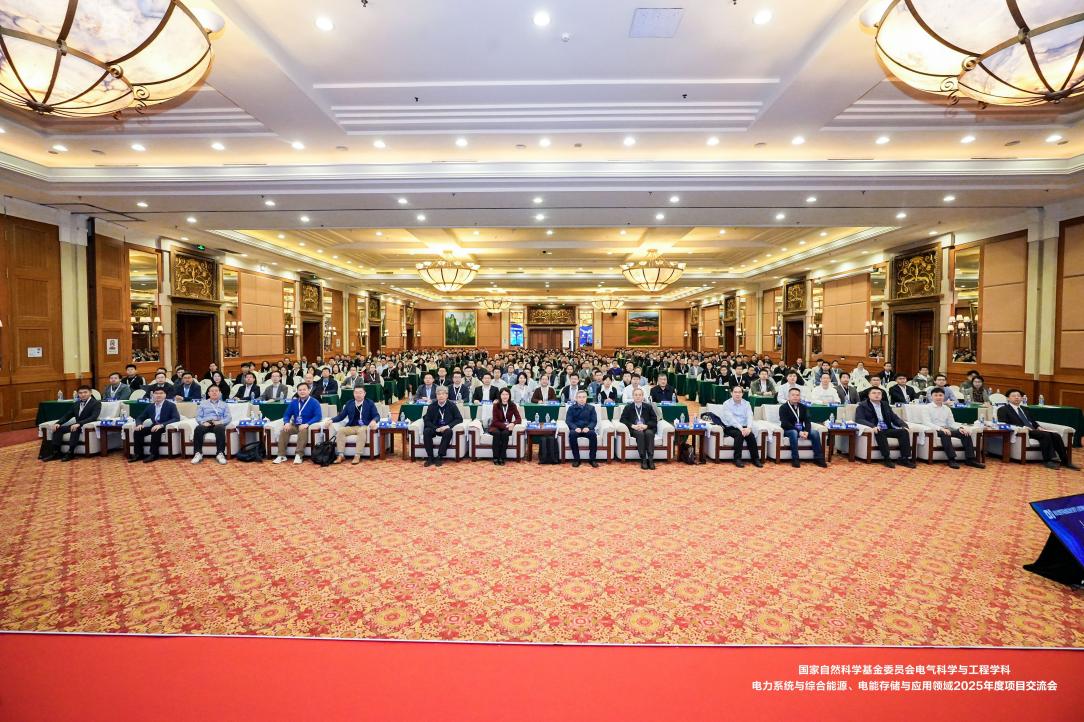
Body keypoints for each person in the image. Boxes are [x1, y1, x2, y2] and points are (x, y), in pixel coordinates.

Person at [997, 389, 1079, 470]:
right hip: (1022, 431)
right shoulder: (1003, 409)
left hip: (1033, 430)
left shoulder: (1025, 409)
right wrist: (1022, 428)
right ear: (1008, 398)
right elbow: (1003, 424)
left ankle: (1065, 461)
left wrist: (1038, 427)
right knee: (1045, 435)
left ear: (1022, 398)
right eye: (1013, 396)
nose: (1017, 397)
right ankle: (1048, 460)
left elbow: (1032, 421)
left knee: (1056, 435)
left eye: (1019, 396)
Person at [855, 387, 916, 468]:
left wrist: (903, 425)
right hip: (876, 429)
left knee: (903, 432)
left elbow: (894, 418)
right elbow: (859, 419)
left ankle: (904, 459)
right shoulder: (862, 406)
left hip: (887, 428)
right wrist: (872, 426)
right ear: (869, 395)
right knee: (880, 432)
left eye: (879, 393)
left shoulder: (885, 405)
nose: (877, 395)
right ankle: (887, 458)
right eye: (874, 393)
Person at [924, 387, 983, 469]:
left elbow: (951, 423)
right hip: (935, 430)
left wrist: (960, 428)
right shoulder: (927, 407)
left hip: (947, 429)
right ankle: (951, 459)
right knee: (945, 434)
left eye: (940, 395)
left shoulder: (947, 408)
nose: (938, 397)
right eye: (936, 395)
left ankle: (970, 459)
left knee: (964, 433)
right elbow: (927, 422)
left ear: (944, 396)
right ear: (932, 397)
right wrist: (941, 429)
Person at [323, 385, 379, 465]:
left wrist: (374, 421)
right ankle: (341, 455)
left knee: (361, 430)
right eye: (356, 392)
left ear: (364, 393)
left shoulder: (369, 403)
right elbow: (341, 416)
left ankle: (357, 455)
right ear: (353, 393)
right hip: (352, 426)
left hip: (364, 426)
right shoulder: (349, 403)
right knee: (341, 430)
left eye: (360, 392)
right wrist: (331, 420)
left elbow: (377, 415)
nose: (358, 394)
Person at [46, 385, 100, 461]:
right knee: (58, 429)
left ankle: (71, 452)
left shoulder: (96, 403)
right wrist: (58, 423)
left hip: (86, 425)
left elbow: (93, 417)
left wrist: (79, 423)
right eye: (80, 393)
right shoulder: (76, 403)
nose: (83, 394)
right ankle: (56, 452)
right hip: (76, 425)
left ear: (90, 393)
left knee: (75, 428)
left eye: (85, 392)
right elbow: (67, 415)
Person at [273, 382, 323, 464]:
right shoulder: (294, 402)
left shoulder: (314, 402)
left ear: (309, 390)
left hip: (307, 426)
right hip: (295, 425)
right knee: (284, 430)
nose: (302, 392)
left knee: (303, 431)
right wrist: (286, 422)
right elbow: (287, 415)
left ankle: (299, 455)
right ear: (297, 391)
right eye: (300, 390)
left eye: (304, 390)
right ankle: (281, 455)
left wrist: (307, 424)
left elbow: (318, 416)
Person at [778, 387, 828, 468]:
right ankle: (795, 459)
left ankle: (818, 458)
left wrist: (806, 431)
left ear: (800, 397)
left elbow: (807, 421)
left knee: (815, 433)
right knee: (794, 432)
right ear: (788, 396)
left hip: (801, 429)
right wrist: (799, 432)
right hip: (788, 430)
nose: (795, 397)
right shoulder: (783, 407)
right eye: (793, 395)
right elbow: (785, 423)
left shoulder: (803, 407)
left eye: (797, 395)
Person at [130, 388, 180, 463]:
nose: (158, 395)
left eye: (161, 393)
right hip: (154, 425)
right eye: (156, 393)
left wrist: (161, 425)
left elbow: (176, 418)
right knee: (138, 431)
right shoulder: (150, 406)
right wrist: (139, 424)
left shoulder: (171, 405)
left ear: (165, 395)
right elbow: (140, 417)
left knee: (156, 430)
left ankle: (154, 454)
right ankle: (138, 454)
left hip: (165, 426)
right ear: (153, 395)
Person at [719, 384, 762, 468]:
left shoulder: (747, 404)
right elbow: (731, 419)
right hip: (730, 427)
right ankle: (737, 459)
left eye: (739, 392)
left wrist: (749, 428)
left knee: (751, 435)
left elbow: (750, 416)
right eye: (735, 392)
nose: (737, 394)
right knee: (739, 434)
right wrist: (741, 429)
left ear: (742, 394)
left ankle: (756, 459)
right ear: (731, 393)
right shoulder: (726, 404)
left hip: (744, 427)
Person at [191, 384, 231, 465]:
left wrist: (220, 422)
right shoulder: (202, 403)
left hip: (218, 423)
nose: (214, 392)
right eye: (212, 391)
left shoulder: (224, 404)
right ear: (208, 393)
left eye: (216, 391)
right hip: (206, 423)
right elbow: (198, 416)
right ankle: (198, 453)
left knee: (220, 428)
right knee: (198, 428)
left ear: (220, 393)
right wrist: (203, 422)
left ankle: (220, 453)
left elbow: (228, 417)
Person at [423, 388, 463, 467]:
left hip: (446, 428)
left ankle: (440, 456)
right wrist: (435, 428)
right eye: (438, 394)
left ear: (446, 395)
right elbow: (427, 420)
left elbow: (459, 419)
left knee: (448, 431)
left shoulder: (452, 405)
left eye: (443, 394)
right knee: (426, 431)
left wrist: (447, 426)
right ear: (436, 396)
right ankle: (430, 457)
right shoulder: (432, 406)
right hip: (435, 428)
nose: (441, 396)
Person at [618, 387, 657, 470]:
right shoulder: (628, 407)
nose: (638, 397)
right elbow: (622, 419)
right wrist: (632, 426)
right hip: (635, 429)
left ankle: (650, 459)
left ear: (643, 396)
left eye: (640, 395)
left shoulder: (648, 407)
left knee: (649, 433)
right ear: (633, 396)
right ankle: (643, 459)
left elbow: (654, 420)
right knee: (640, 434)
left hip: (647, 428)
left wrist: (646, 425)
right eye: (636, 395)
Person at [566, 389, 599, 468]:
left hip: (587, 429)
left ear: (586, 398)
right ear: (576, 398)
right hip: (576, 429)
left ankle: (592, 459)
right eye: (580, 397)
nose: (582, 399)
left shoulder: (591, 408)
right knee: (572, 434)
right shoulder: (571, 408)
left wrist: (588, 428)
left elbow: (594, 421)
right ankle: (576, 459)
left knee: (593, 434)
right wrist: (575, 428)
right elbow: (568, 421)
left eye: (584, 397)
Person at [489, 387, 522, 465]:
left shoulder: (512, 405)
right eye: (503, 394)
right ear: (500, 396)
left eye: (507, 394)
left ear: (509, 395)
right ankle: (495, 457)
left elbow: (519, 419)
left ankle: (502, 457)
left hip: (507, 427)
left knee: (505, 434)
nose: (505, 396)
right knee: (497, 433)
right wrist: (506, 426)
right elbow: (495, 421)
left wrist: (513, 423)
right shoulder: (496, 405)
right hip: (496, 426)